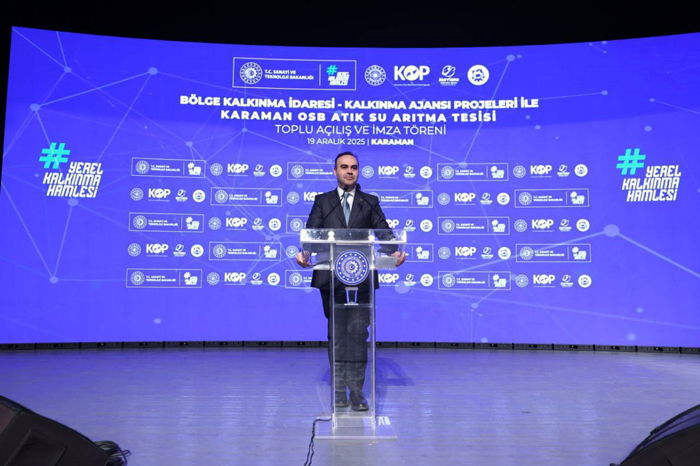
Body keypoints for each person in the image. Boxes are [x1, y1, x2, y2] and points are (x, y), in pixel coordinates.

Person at [296, 151, 405, 411]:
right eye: (344, 167)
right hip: (331, 278)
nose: (349, 171)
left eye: (353, 167)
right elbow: (313, 232)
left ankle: (356, 391)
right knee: (337, 334)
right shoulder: (323, 201)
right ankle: (338, 390)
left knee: (357, 334)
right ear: (335, 171)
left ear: (358, 171)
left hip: (362, 278)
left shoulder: (369, 201)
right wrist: (305, 253)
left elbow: (383, 231)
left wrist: (395, 251)